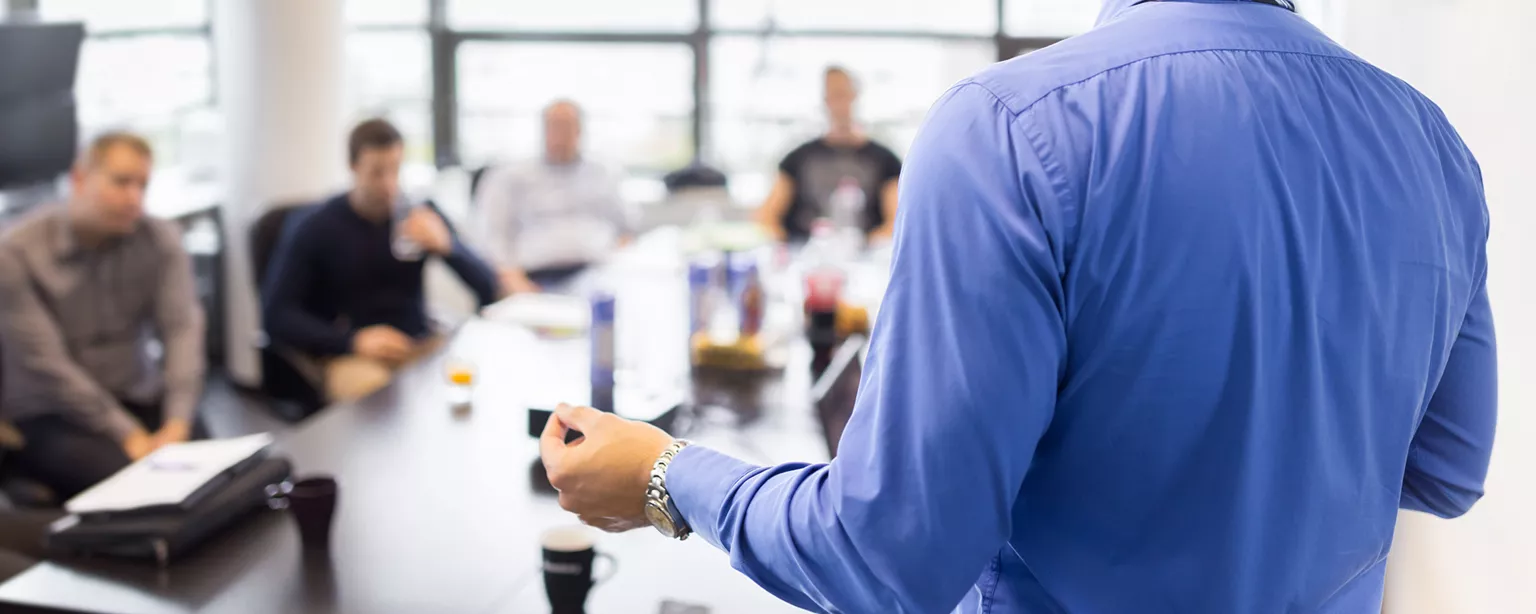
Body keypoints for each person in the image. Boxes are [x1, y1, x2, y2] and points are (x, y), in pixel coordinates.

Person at [540, 1, 1497, 612]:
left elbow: (887, 562)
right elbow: (1447, 466)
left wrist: (667, 478)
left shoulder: (1015, 124)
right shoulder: (1434, 144)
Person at [0, 132, 206, 500]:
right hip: (56, 412)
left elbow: (182, 329)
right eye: (121, 182)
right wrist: (127, 433)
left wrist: (177, 421)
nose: (134, 199)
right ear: (79, 178)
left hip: (137, 393)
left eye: (142, 185)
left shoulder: (159, 239)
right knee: (144, 491)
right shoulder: (16, 254)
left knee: (215, 473)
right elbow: (48, 366)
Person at [262, 119, 500, 403]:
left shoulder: (418, 212)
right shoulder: (316, 226)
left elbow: (488, 287)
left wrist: (449, 248)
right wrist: (351, 341)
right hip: (353, 352)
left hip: (417, 343)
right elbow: (276, 315)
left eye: (395, 170)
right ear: (353, 167)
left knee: (471, 384)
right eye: (377, 173)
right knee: (379, 406)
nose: (389, 184)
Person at [474, 100, 632, 294]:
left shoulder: (604, 173)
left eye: (567, 126)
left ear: (580, 130)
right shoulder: (509, 176)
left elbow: (626, 230)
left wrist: (618, 270)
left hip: (597, 275)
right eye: (554, 126)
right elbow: (493, 239)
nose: (560, 134)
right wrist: (516, 284)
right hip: (536, 279)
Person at [755, 66, 902, 243]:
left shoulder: (885, 160)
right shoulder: (798, 158)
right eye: (833, 96)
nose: (839, 103)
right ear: (825, 101)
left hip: (862, 257)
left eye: (842, 94)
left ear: (854, 95)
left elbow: (895, 221)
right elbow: (767, 216)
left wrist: (866, 249)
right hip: (807, 255)